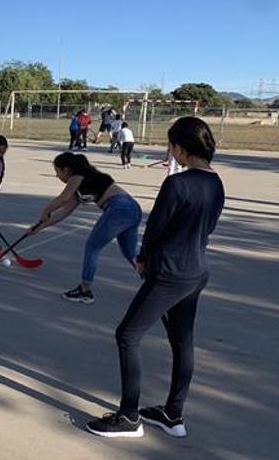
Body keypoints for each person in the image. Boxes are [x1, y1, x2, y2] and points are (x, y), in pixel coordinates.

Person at [86, 116, 225, 439]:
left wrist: (143, 259)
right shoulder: (216, 182)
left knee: (127, 335)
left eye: (170, 145)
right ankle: (173, 414)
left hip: (170, 273)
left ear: (179, 148)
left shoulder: (176, 183)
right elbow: (210, 226)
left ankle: (129, 417)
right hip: (197, 270)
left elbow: (156, 229)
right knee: (182, 341)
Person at [30, 152, 142, 303]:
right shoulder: (80, 187)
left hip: (119, 209)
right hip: (131, 209)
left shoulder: (77, 176)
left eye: (57, 171)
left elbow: (63, 198)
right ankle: (155, 282)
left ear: (66, 169)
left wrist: (46, 210)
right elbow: (64, 213)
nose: (57, 176)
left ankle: (85, 290)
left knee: (92, 247)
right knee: (130, 253)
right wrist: (39, 227)